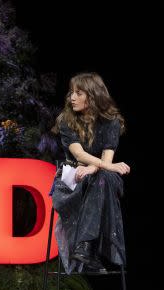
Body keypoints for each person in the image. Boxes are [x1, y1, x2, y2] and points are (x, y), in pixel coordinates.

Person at [52, 72, 130, 274]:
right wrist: (106, 166)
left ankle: (85, 247)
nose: (72, 98)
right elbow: (78, 154)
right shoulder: (66, 120)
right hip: (72, 180)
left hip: (98, 179)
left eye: (78, 93)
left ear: (93, 95)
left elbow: (106, 159)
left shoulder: (110, 121)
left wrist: (95, 168)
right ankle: (89, 249)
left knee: (103, 178)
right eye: (71, 93)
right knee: (106, 177)